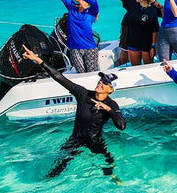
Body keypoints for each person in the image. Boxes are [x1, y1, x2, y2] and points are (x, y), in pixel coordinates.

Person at [21, 45, 126, 178]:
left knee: (108, 162)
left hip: (94, 140)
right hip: (75, 139)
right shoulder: (83, 94)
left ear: (110, 89)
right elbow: (60, 78)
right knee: (60, 163)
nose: (100, 82)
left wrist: (109, 110)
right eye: (101, 79)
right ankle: (47, 183)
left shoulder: (111, 104)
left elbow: (122, 126)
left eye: (105, 82)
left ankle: (113, 180)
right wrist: (38, 60)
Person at [33, 0, 99, 73]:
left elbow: (93, 2)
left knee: (92, 74)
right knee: (81, 75)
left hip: (90, 48)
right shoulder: (71, 7)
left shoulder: (91, 11)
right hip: (74, 49)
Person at [98, 0, 159, 66]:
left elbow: (155, 29)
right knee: (128, 58)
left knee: (148, 64)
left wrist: (153, 46)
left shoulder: (153, 9)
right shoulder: (133, 2)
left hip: (145, 43)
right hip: (130, 35)